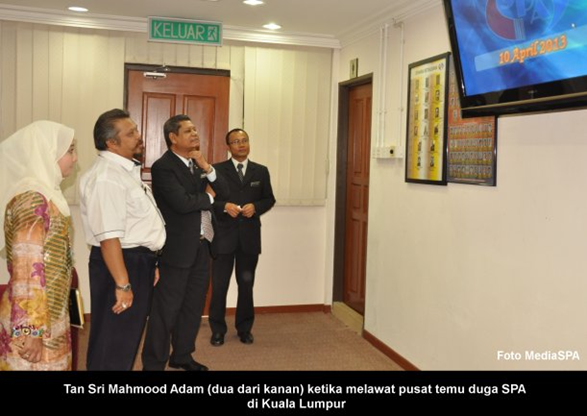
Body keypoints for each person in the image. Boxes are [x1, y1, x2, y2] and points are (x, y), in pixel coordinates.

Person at [79, 109, 166, 371]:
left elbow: (135, 226)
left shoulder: (123, 171)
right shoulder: (107, 177)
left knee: (123, 338)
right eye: (130, 133)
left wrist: (151, 262)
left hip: (135, 261)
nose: (139, 136)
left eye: (136, 130)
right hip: (121, 263)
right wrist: (123, 284)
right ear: (111, 143)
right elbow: (108, 238)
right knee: (115, 340)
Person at [141, 115, 228, 371]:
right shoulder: (163, 167)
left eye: (195, 129)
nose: (195, 134)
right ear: (173, 137)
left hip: (202, 246)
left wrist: (206, 166)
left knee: (193, 307)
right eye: (188, 130)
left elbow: (224, 190)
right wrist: (208, 198)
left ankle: (182, 355)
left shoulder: (196, 164)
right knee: (165, 311)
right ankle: (153, 364)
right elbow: (182, 203)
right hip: (176, 250)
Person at [0, 121, 77, 370]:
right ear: (46, 152)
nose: (75, 158)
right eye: (70, 150)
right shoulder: (32, 199)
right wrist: (30, 331)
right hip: (33, 324)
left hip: (50, 315)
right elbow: (26, 269)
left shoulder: (47, 194)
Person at [209, 128, 275, 346]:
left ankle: (244, 328)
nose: (241, 144)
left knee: (246, 286)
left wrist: (255, 207)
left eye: (244, 140)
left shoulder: (261, 171)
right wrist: (224, 206)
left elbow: (269, 199)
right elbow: (207, 201)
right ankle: (217, 330)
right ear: (228, 147)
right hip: (223, 237)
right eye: (236, 141)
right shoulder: (217, 170)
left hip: (249, 237)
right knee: (219, 286)